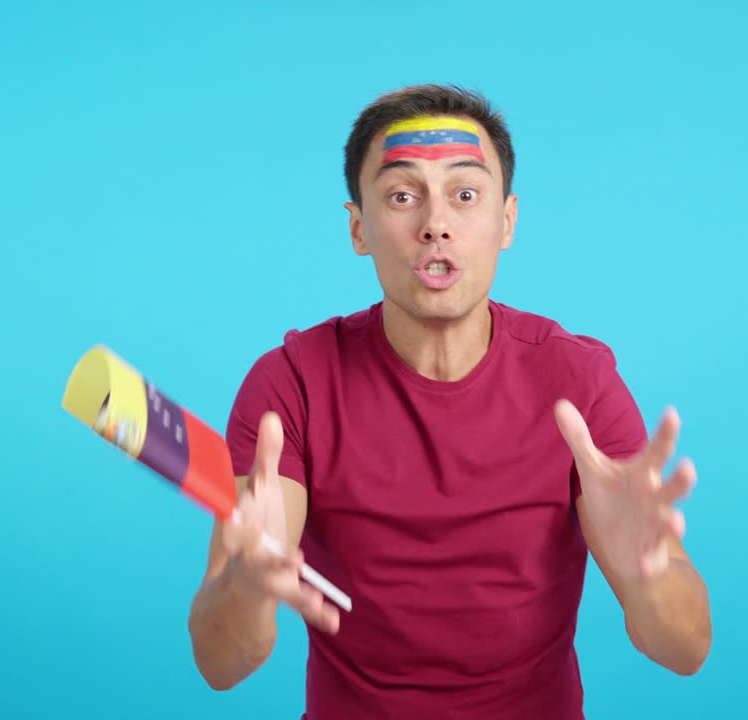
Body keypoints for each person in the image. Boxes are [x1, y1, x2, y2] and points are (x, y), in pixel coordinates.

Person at [187, 84, 712, 718]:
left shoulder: (579, 383)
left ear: (506, 222)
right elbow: (220, 665)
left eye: (465, 195)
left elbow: (686, 650)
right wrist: (247, 587)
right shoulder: (290, 385)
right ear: (359, 228)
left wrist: (647, 574)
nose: (435, 223)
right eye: (402, 196)